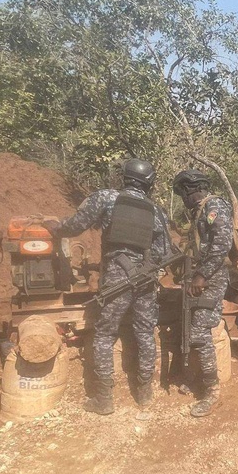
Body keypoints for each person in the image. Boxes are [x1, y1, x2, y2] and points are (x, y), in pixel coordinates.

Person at [48, 158, 171, 415]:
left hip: (117, 277)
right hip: (146, 279)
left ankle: (103, 399)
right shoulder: (157, 211)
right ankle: (144, 392)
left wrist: (56, 229)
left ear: (124, 177)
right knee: (145, 332)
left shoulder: (106, 198)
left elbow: (76, 225)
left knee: (104, 334)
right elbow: (165, 252)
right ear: (149, 184)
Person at [172, 169, 233, 418]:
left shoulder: (214, 206)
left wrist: (202, 275)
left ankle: (212, 390)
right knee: (191, 327)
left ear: (190, 189)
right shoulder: (200, 211)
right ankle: (196, 376)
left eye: (182, 193)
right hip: (202, 277)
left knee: (199, 331)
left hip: (212, 279)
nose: (182, 199)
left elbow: (221, 245)